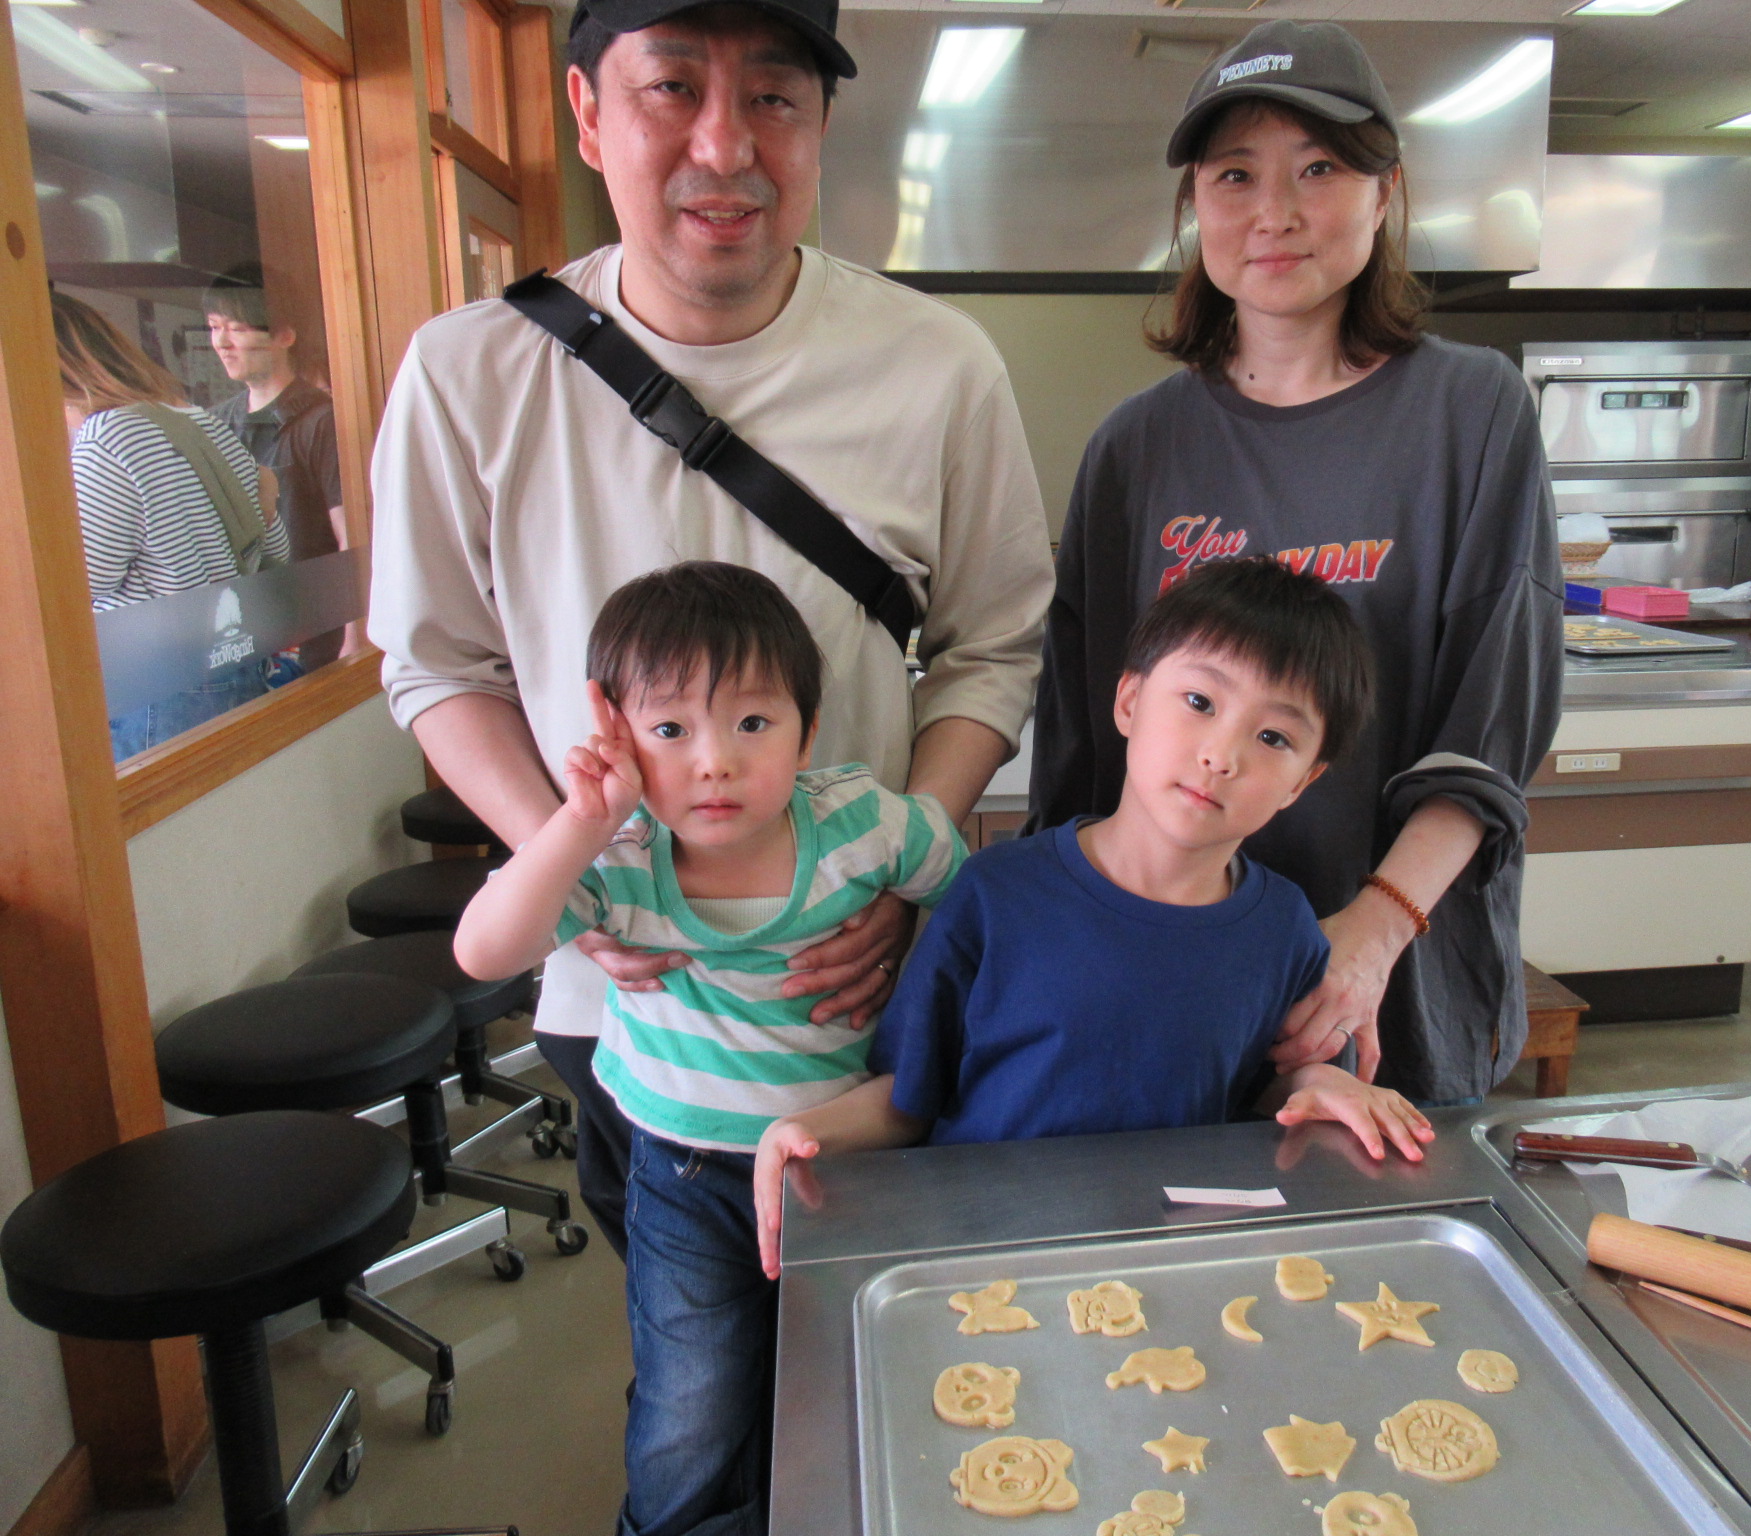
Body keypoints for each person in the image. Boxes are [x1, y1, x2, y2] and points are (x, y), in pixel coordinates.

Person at [367, 0, 1053, 1261]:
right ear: (588, 114)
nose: (726, 146)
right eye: (672, 88)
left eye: (774, 97)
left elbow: (993, 644)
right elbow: (434, 663)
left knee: (878, 1326)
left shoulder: (937, 364)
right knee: (690, 1342)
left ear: (822, 124)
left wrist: (903, 868)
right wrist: (571, 866)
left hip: (859, 990)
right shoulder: (469, 372)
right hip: (629, 1006)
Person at [1028, 21, 1561, 1108]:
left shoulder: (1472, 413)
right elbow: (1083, 746)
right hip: (1169, 974)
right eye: (1235, 175)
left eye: (1318, 169)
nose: (1273, 213)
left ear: (1384, 190)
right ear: (1194, 203)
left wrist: (1373, 931)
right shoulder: (1136, 446)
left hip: (1388, 975)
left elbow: (1491, 728)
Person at [453, 562, 966, 1536]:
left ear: (808, 732)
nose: (714, 762)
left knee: (853, 1382)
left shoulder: (864, 824)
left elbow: (975, 903)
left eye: (752, 723)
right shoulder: (618, 859)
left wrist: (921, 955)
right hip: (686, 1176)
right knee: (691, 1411)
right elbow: (483, 952)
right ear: (618, 737)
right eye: (670, 730)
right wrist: (579, 820)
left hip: (850, 1167)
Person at [752, 559, 1434, 1276]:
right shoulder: (996, 893)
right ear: (1130, 701)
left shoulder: (1285, 929)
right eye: (1199, 701)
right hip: (984, 1265)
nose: (1220, 755)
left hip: (1172, 1271)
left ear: (1304, 780)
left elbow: (1262, 1091)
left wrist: (1317, 1084)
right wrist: (804, 1130)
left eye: (1273, 739)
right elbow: (909, 1097)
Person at [53, 291, 289, 758]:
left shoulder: (105, 438)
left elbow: (83, 582)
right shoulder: (199, 422)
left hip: (155, 684)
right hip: (231, 661)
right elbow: (273, 547)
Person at [205, 266, 349, 669]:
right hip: (243, 634)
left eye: (237, 329)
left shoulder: (322, 421)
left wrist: (356, 636)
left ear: (284, 335)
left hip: (315, 636)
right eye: (214, 327)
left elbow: (351, 535)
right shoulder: (213, 424)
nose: (222, 343)